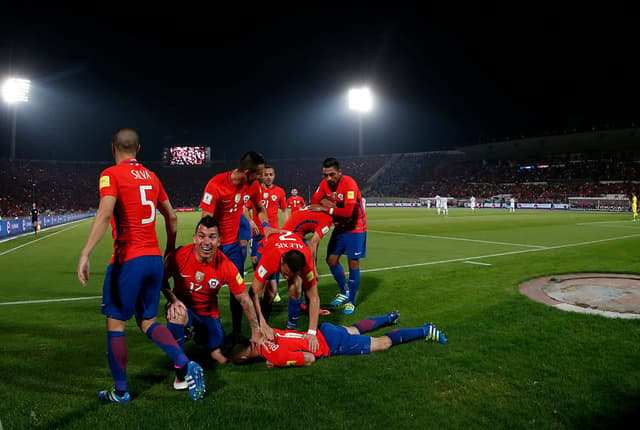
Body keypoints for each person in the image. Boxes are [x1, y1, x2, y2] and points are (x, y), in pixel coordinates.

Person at [77, 128, 205, 403]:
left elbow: (105, 212)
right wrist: (169, 249)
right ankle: (185, 363)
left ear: (113, 148)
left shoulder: (111, 175)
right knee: (147, 320)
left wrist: (86, 252)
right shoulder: (152, 176)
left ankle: (121, 391)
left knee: (115, 325)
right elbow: (171, 217)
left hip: (128, 261)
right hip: (153, 260)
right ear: (138, 149)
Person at [162, 216, 264, 389]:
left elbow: (244, 299)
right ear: (195, 238)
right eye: (202, 236)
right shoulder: (180, 255)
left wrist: (256, 330)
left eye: (212, 237)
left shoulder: (226, 265)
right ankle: (180, 375)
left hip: (209, 315)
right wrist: (173, 300)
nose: (206, 242)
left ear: (219, 240)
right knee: (176, 315)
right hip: (185, 309)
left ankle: (196, 333)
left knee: (221, 357)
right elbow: (161, 280)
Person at [199, 151, 275, 338]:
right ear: (247, 173)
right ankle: (206, 330)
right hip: (215, 247)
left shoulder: (253, 186)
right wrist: (210, 245)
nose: (262, 178)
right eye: (259, 174)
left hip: (233, 247)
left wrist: (265, 226)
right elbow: (205, 219)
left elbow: (259, 208)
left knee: (238, 290)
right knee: (208, 290)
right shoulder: (216, 184)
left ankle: (236, 332)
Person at [226, 311, 447, 367]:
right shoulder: (264, 334)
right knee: (354, 328)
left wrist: (277, 362)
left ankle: (425, 330)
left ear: (243, 358)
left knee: (382, 343)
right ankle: (389, 317)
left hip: (330, 344)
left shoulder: (274, 356)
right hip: (325, 330)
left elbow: (309, 358)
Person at [309, 157, 367, 315]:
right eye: (325, 175)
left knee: (353, 263)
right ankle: (345, 291)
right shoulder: (324, 184)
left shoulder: (349, 183)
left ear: (339, 173)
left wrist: (326, 208)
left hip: (355, 227)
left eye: (332, 174)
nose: (328, 178)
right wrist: (330, 205)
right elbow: (314, 201)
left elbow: (348, 212)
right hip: (340, 227)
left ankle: (352, 301)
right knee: (331, 260)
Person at [250, 232, 321, 351]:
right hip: (267, 247)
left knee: (295, 288)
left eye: (292, 275)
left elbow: (314, 297)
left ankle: (290, 330)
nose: (287, 278)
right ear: (282, 262)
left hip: (291, 247)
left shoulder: (306, 263)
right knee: (270, 293)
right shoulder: (270, 258)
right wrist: (261, 324)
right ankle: (263, 327)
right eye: (286, 274)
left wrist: (312, 332)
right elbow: (252, 293)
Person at [281, 206, 334, 316]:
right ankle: (310, 307)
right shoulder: (327, 220)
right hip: (293, 236)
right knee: (308, 273)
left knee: (298, 274)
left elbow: (315, 243)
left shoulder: (319, 211)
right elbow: (312, 244)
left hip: (287, 234)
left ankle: (299, 304)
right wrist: (313, 267)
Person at [246, 165, 288, 302]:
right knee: (255, 260)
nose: (268, 177)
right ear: (261, 176)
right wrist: (251, 222)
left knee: (274, 261)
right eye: (266, 174)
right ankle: (262, 284)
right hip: (256, 232)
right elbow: (245, 209)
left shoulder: (280, 191)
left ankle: (272, 289)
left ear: (274, 175)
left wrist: (287, 227)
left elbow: (283, 210)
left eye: (271, 174)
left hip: (273, 232)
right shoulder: (254, 189)